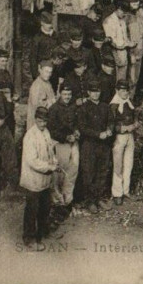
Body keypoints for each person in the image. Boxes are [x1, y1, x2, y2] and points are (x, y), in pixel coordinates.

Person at [20, 106, 59, 250]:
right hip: (33, 180)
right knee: (32, 210)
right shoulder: (30, 136)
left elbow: (50, 150)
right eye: (41, 121)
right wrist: (49, 167)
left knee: (45, 207)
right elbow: (32, 161)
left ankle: (42, 232)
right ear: (36, 119)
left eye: (45, 121)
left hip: (44, 180)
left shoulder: (46, 132)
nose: (43, 124)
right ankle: (29, 238)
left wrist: (53, 160)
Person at [78, 78, 114, 214]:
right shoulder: (84, 108)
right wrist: (98, 134)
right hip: (89, 145)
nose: (95, 94)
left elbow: (111, 121)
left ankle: (98, 198)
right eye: (93, 92)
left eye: (97, 91)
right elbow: (82, 128)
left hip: (103, 146)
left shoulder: (105, 107)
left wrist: (110, 130)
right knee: (89, 173)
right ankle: (90, 201)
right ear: (88, 93)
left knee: (102, 172)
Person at [47, 83, 80, 222]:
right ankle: (57, 203)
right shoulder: (54, 109)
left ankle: (68, 200)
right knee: (59, 173)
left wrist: (77, 131)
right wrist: (65, 137)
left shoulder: (73, 106)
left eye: (69, 95)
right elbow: (51, 130)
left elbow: (77, 122)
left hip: (74, 143)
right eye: (65, 94)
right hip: (61, 144)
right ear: (60, 94)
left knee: (73, 171)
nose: (67, 97)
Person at [110, 80, 139, 205]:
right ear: (117, 91)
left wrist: (136, 124)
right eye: (122, 90)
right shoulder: (114, 105)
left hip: (130, 136)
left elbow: (135, 115)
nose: (125, 93)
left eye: (126, 90)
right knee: (118, 166)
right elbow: (110, 124)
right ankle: (117, 193)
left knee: (128, 163)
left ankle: (126, 190)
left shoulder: (129, 102)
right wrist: (121, 128)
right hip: (119, 138)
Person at [126, 0, 143, 97]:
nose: (135, 6)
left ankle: (132, 97)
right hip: (131, 51)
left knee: (136, 76)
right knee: (130, 77)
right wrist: (130, 53)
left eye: (137, 3)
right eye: (133, 3)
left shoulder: (141, 13)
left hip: (140, 50)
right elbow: (125, 36)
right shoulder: (126, 16)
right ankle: (128, 99)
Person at [103, 0, 132, 83]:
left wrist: (128, 43)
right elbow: (110, 40)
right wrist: (122, 46)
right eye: (124, 12)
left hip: (123, 52)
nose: (124, 15)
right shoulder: (109, 21)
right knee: (115, 77)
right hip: (115, 52)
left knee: (122, 77)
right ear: (118, 9)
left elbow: (124, 36)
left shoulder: (122, 21)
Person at [0, 49, 17, 136]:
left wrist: (13, 96)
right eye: (2, 61)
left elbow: (11, 87)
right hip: (0, 111)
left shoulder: (6, 73)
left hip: (8, 110)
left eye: (6, 61)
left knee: (11, 132)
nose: (4, 63)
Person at [29, 11, 59, 80]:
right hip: (43, 70)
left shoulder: (55, 35)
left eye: (50, 23)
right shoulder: (37, 38)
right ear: (42, 23)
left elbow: (58, 49)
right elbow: (32, 58)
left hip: (54, 70)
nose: (50, 26)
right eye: (47, 23)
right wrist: (35, 75)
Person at [27, 60, 56, 130]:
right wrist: (50, 102)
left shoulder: (47, 82)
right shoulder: (36, 86)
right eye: (46, 71)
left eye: (50, 72)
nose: (48, 74)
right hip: (37, 122)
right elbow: (36, 105)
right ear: (40, 69)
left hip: (45, 119)